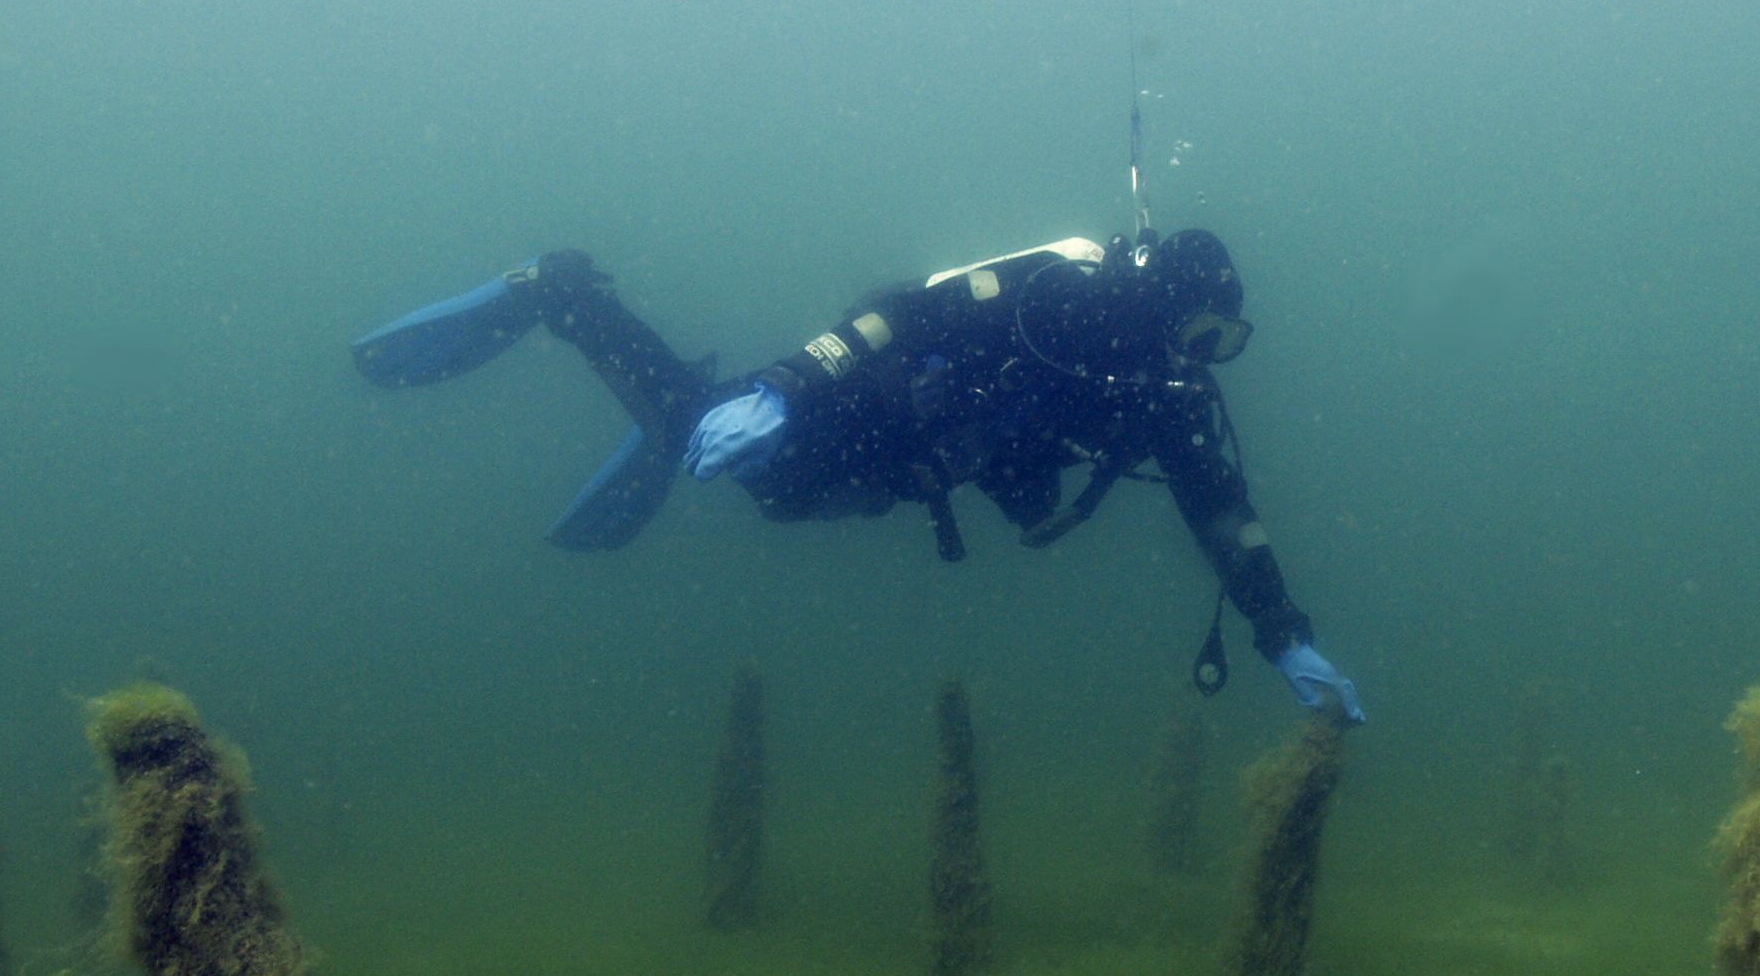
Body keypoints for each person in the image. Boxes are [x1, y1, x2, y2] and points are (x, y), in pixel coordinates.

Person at [351, 229, 1363, 723]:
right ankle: (561, 293)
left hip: (910, 467)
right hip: (862, 398)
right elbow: (903, 311)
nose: (1203, 356)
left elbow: (1225, 514)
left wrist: (1282, 635)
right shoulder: (1063, 298)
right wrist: (790, 387)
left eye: (1223, 343)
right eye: (1201, 329)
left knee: (778, 502)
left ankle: (688, 413)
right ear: (1163, 299)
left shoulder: (1166, 399)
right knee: (736, 452)